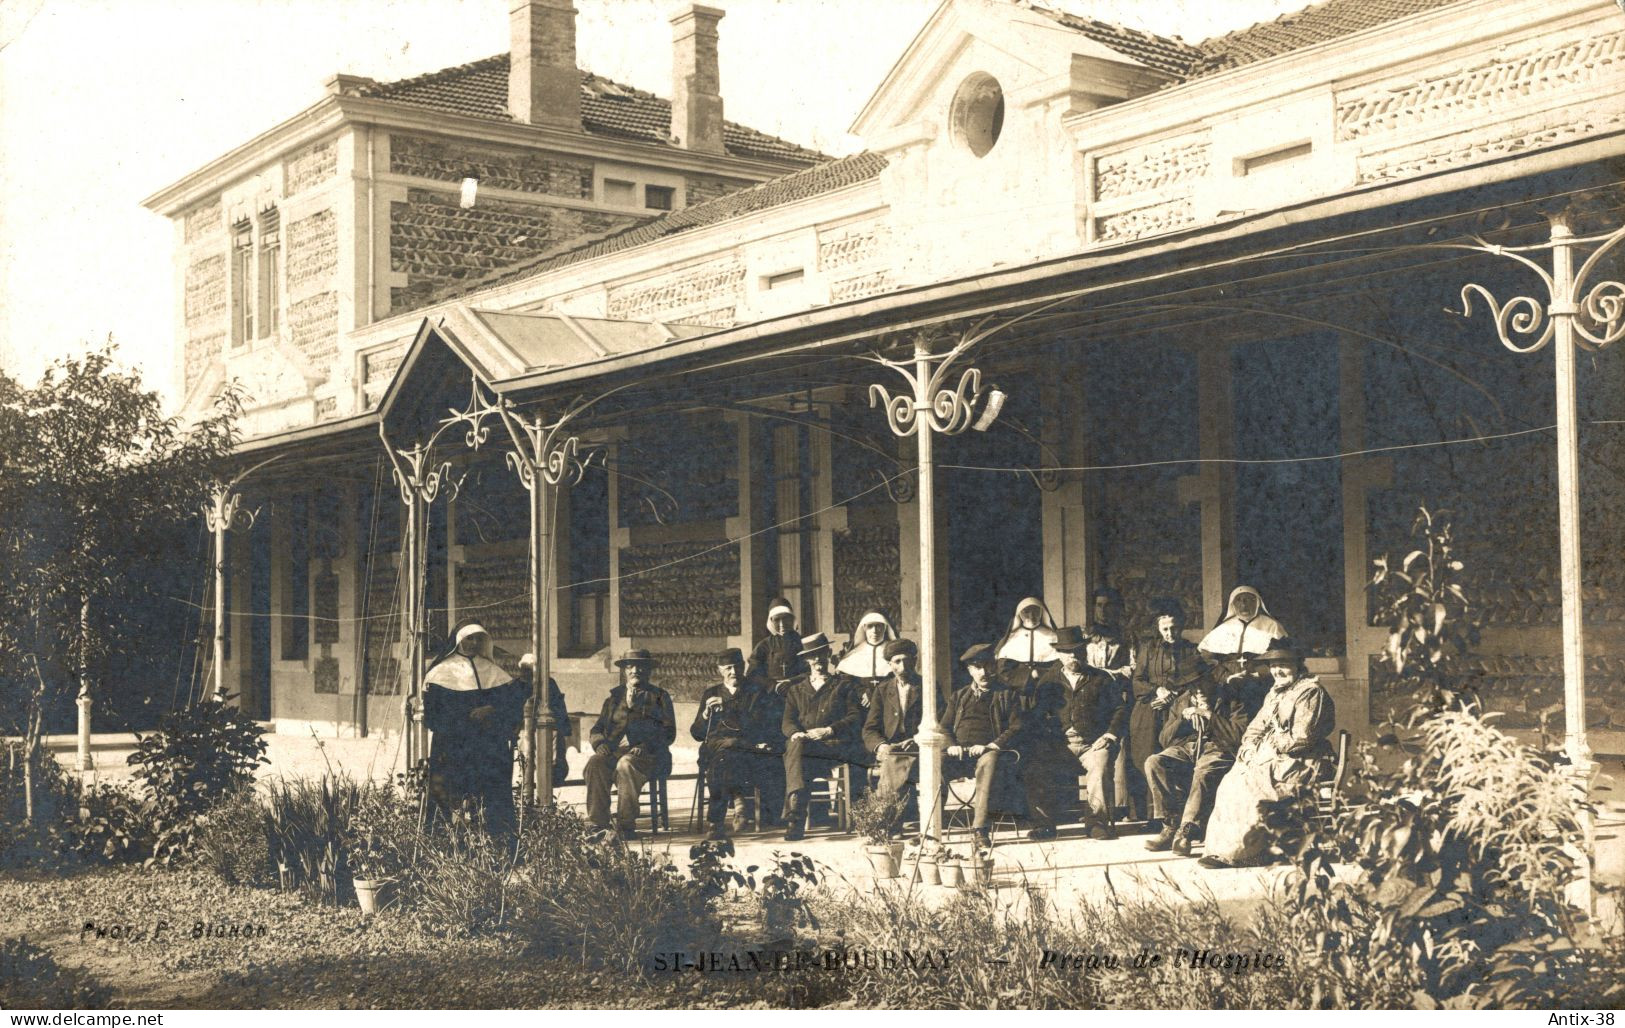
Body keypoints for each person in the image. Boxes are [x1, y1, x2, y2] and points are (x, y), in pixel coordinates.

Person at [1199, 640, 1336, 869]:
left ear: (1298, 666)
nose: (1277, 671)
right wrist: (1251, 746)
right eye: (1273, 665)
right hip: (1276, 759)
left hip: (1303, 762)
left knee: (1250, 786)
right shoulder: (1275, 692)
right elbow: (1256, 726)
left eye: (1283, 664)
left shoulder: (1310, 692)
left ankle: (1245, 852)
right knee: (1232, 781)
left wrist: (1269, 747)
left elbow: (1302, 737)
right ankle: (1227, 850)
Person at [422, 622, 528, 839]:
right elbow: (433, 716)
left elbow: (512, 704)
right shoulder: (440, 673)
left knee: (491, 794)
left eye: (478, 639)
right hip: (453, 746)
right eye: (469, 638)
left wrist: (491, 710)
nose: (474, 643)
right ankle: (445, 841)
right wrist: (465, 718)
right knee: (449, 794)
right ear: (459, 640)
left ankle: (497, 840)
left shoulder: (492, 671)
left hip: (487, 746)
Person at [1142, 660, 1251, 855]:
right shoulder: (1182, 700)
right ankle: (1171, 823)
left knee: (1203, 770)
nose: (1198, 689)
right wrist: (1182, 719)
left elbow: (1239, 735)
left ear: (1212, 680)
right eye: (1193, 685)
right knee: (1154, 762)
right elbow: (1165, 739)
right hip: (1186, 747)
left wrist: (1209, 715)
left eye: (1202, 683)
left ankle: (1186, 832)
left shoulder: (1231, 698)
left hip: (1218, 748)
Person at [691, 647, 785, 839]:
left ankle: (716, 822)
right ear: (719, 670)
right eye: (728, 668)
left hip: (746, 748)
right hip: (719, 747)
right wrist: (705, 714)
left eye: (737, 667)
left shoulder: (756, 692)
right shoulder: (711, 693)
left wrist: (726, 708)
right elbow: (698, 733)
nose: (733, 672)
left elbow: (759, 724)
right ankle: (739, 801)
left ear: (743, 667)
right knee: (724, 753)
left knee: (725, 757)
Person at [780, 632, 866, 842]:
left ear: (828, 654)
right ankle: (796, 817)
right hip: (808, 746)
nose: (817, 660)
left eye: (820, 654)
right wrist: (795, 732)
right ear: (806, 660)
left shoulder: (843, 685)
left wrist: (829, 730)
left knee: (797, 753)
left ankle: (795, 815)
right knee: (796, 745)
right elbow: (787, 721)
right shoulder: (796, 690)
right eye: (812, 656)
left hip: (836, 746)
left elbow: (854, 716)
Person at [583, 649, 676, 839]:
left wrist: (646, 745)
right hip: (615, 752)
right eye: (630, 666)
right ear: (624, 671)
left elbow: (669, 732)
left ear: (649, 671)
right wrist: (599, 743)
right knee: (595, 763)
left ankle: (625, 826)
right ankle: (596, 824)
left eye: (641, 666)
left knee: (625, 765)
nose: (635, 670)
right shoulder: (614, 698)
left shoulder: (659, 697)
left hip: (650, 755)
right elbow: (596, 729)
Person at [1045, 625, 1127, 840]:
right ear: (1059, 654)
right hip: (1061, 744)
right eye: (1067, 652)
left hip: (1093, 743)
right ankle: (1044, 824)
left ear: (1084, 651)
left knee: (1100, 766)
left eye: (1077, 651)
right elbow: (1038, 714)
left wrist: (1109, 735)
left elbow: (1120, 709)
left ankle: (1097, 823)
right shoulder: (1048, 681)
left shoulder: (1102, 678)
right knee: (1036, 765)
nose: (1073, 656)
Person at [1127, 599, 1201, 834]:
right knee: (1145, 757)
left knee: (1172, 757)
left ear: (1181, 626)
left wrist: (1173, 695)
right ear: (1158, 628)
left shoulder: (1189, 649)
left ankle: (1179, 814)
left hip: (1178, 710)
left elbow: (1196, 678)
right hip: (1149, 709)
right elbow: (1137, 680)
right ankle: (1152, 816)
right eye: (1165, 629)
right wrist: (1156, 691)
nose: (1170, 633)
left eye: (1174, 628)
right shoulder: (1147, 649)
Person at [941, 644, 1020, 846]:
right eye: (977, 667)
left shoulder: (1006, 694)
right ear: (970, 670)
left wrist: (992, 745)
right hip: (958, 754)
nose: (983, 672)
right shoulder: (959, 696)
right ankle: (932, 826)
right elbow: (944, 727)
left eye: (986, 666)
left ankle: (980, 829)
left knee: (989, 761)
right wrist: (951, 745)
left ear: (993, 667)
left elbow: (1017, 727)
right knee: (932, 764)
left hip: (988, 753)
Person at [863, 639, 941, 831]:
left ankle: (889, 823)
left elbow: (942, 720)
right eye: (897, 661)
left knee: (894, 761)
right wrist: (880, 745)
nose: (903, 666)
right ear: (889, 664)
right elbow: (869, 728)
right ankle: (891, 820)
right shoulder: (882, 690)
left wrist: (916, 739)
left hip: (919, 746)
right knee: (891, 756)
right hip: (892, 747)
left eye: (907, 660)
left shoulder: (928, 686)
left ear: (915, 661)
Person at [1198, 585, 1287, 673]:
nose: (1243, 605)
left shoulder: (1272, 625)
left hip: (1259, 674)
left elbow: (1282, 655)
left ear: (1257, 602)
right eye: (1238, 600)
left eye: (1248, 600)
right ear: (1233, 604)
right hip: (1226, 674)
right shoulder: (1224, 627)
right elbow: (1206, 652)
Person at [518, 652, 571, 789]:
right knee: (526, 748)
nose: (524, 674)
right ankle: (527, 779)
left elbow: (559, 705)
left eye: (527, 670)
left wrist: (563, 727)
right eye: (522, 670)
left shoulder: (548, 684)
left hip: (548, 726)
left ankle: (554, 775)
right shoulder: (519, 685)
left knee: (553, 750)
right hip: (526, 727)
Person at [836, 608, 898, 708]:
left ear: (885, 627)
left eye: (878, 626)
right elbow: (846, 682)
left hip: (888, 701)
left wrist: (874, 692)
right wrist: (862, 692)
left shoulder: (894, 652)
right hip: (860, 703)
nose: (874, 631)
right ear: (864, 628)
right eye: (870, 626)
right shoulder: (854, 654)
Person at [994, 596, 1060, 687]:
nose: (1031, 616)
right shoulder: (1012, 639)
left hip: (1047, 686)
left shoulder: (1053, 637)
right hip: (1019, 689)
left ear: (1042, 612)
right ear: (1019, 614)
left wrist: (1039, 673)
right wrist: (1027, 677)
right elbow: (1003, 671)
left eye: (1035, 611)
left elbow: (1060, 667)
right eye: (1026, 612)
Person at [749, 596, 806, 694]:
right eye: (777, 620)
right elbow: (753, 674)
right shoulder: (763, 645)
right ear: (770, 621)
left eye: (786, 618)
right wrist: (773, 686)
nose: (782, 624)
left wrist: (791, 682)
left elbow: (811, 671)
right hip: (771, 695)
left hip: (799, 692)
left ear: (792, 619)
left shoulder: (803, 643)